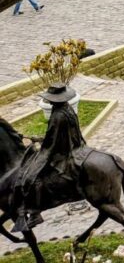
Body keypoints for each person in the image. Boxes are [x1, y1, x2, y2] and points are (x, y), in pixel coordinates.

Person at [11, 96, 86, 232]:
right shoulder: (68, 109)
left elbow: (52, 141)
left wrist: (41, 146)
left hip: (61, 151)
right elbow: (56, 135)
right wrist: (39, 138)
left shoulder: (57, 115)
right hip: (74, 145)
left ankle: (34, 212)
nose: (49, 100)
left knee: (32, 173)